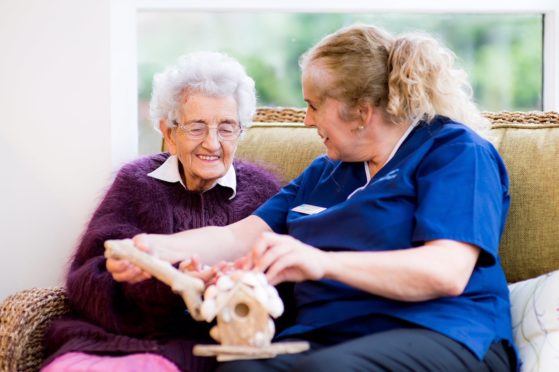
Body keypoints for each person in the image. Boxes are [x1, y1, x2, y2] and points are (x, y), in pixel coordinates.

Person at [123, 25, 517, 371]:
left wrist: (320, 263)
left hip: (440, 331)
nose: (307, 120)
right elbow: (236, 239)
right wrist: (154, 248)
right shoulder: (327, 171)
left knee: (328, 368)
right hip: (328, 336)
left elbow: (445, 272)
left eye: (313, 106)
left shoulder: (456, 152)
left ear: (361, 112)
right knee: (242, 368)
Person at [41, 52, 281, 372]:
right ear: (169, 132)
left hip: (194, 352)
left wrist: (225, 287)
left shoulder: (263, 193)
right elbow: (87, 282)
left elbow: (283, 295)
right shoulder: (137, 183)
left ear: (241, 131)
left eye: (226, 128)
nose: (212, 143)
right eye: (197, 127)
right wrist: (163, 285)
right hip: (104, 342)